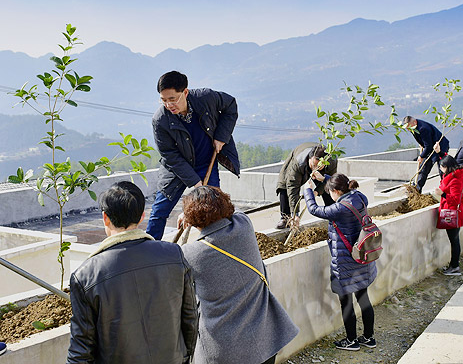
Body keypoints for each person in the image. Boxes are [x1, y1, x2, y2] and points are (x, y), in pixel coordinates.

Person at [67, 181, 198, 364]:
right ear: (142, 216)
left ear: (105, 218)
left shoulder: (86, 276)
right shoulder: (174, 255)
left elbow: (81, 350)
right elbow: (191, 320)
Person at [180, 186, 299, 364]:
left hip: (223, 350)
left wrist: (190, 218)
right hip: (264, 340)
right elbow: (235, 212)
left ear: (192, 219)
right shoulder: (244, 226)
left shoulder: (191, 254)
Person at [147, 70, 240, 240]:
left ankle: (218, 243)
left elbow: (230, 106)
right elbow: (169, 155)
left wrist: (221, 137)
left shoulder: (206, 98)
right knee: (159, 211)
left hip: (206, 163)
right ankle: (149, 250)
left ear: (185, 92)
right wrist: (197, 184)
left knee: (213, 208)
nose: (169, 105)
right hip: (176, 168)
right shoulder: (160, 120)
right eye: (164, 100)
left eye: (173, 99)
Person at [304, 174, 377, 351]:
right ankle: (368, 338)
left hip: (345, 264)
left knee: (346, 303)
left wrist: (307, 190)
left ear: (337, 191)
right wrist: (325, 178)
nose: (331, 195)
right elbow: (343, 185)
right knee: (364, 298)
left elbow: (314, 209)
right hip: (362, 257)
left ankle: (352, 341)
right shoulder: (359, 197)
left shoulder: (340, 209)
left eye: (331, 192)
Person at [275, 142, 337, 229]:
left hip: (322, 173)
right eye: (314, 165)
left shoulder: (331, 161)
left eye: (319, 166)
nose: (315, 168)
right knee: (284, 185)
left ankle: (333, 213)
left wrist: (317, 192)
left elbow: (330, 180)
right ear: (310, 158)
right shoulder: (298, 163)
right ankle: (286, 218)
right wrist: (295, 214)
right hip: (298, 160)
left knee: (328, 185)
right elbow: (292, 187)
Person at [434, 155, 463, 276]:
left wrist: (442, 194)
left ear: (447, 167)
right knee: (454, 240)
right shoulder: (450, 176)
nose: (441, 169)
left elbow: (455, 200)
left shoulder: (455, 179)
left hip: (452, 213)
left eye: (442, 167)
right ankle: (453, 266)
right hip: (449, 211)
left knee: (454, 240)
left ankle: (455, 267)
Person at [402, 116, 450, 193]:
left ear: (414, 122)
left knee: (442, 168)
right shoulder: (413, 128)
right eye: (407, 128)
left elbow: (428, 146)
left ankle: (446, 190)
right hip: (430, 147)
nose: (408, 129)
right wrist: (422, 144)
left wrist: (421, 156)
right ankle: (416, 190)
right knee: (424, 168)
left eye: (409, 127)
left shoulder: (423, 128)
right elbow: (425, 142)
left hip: (440, 146)